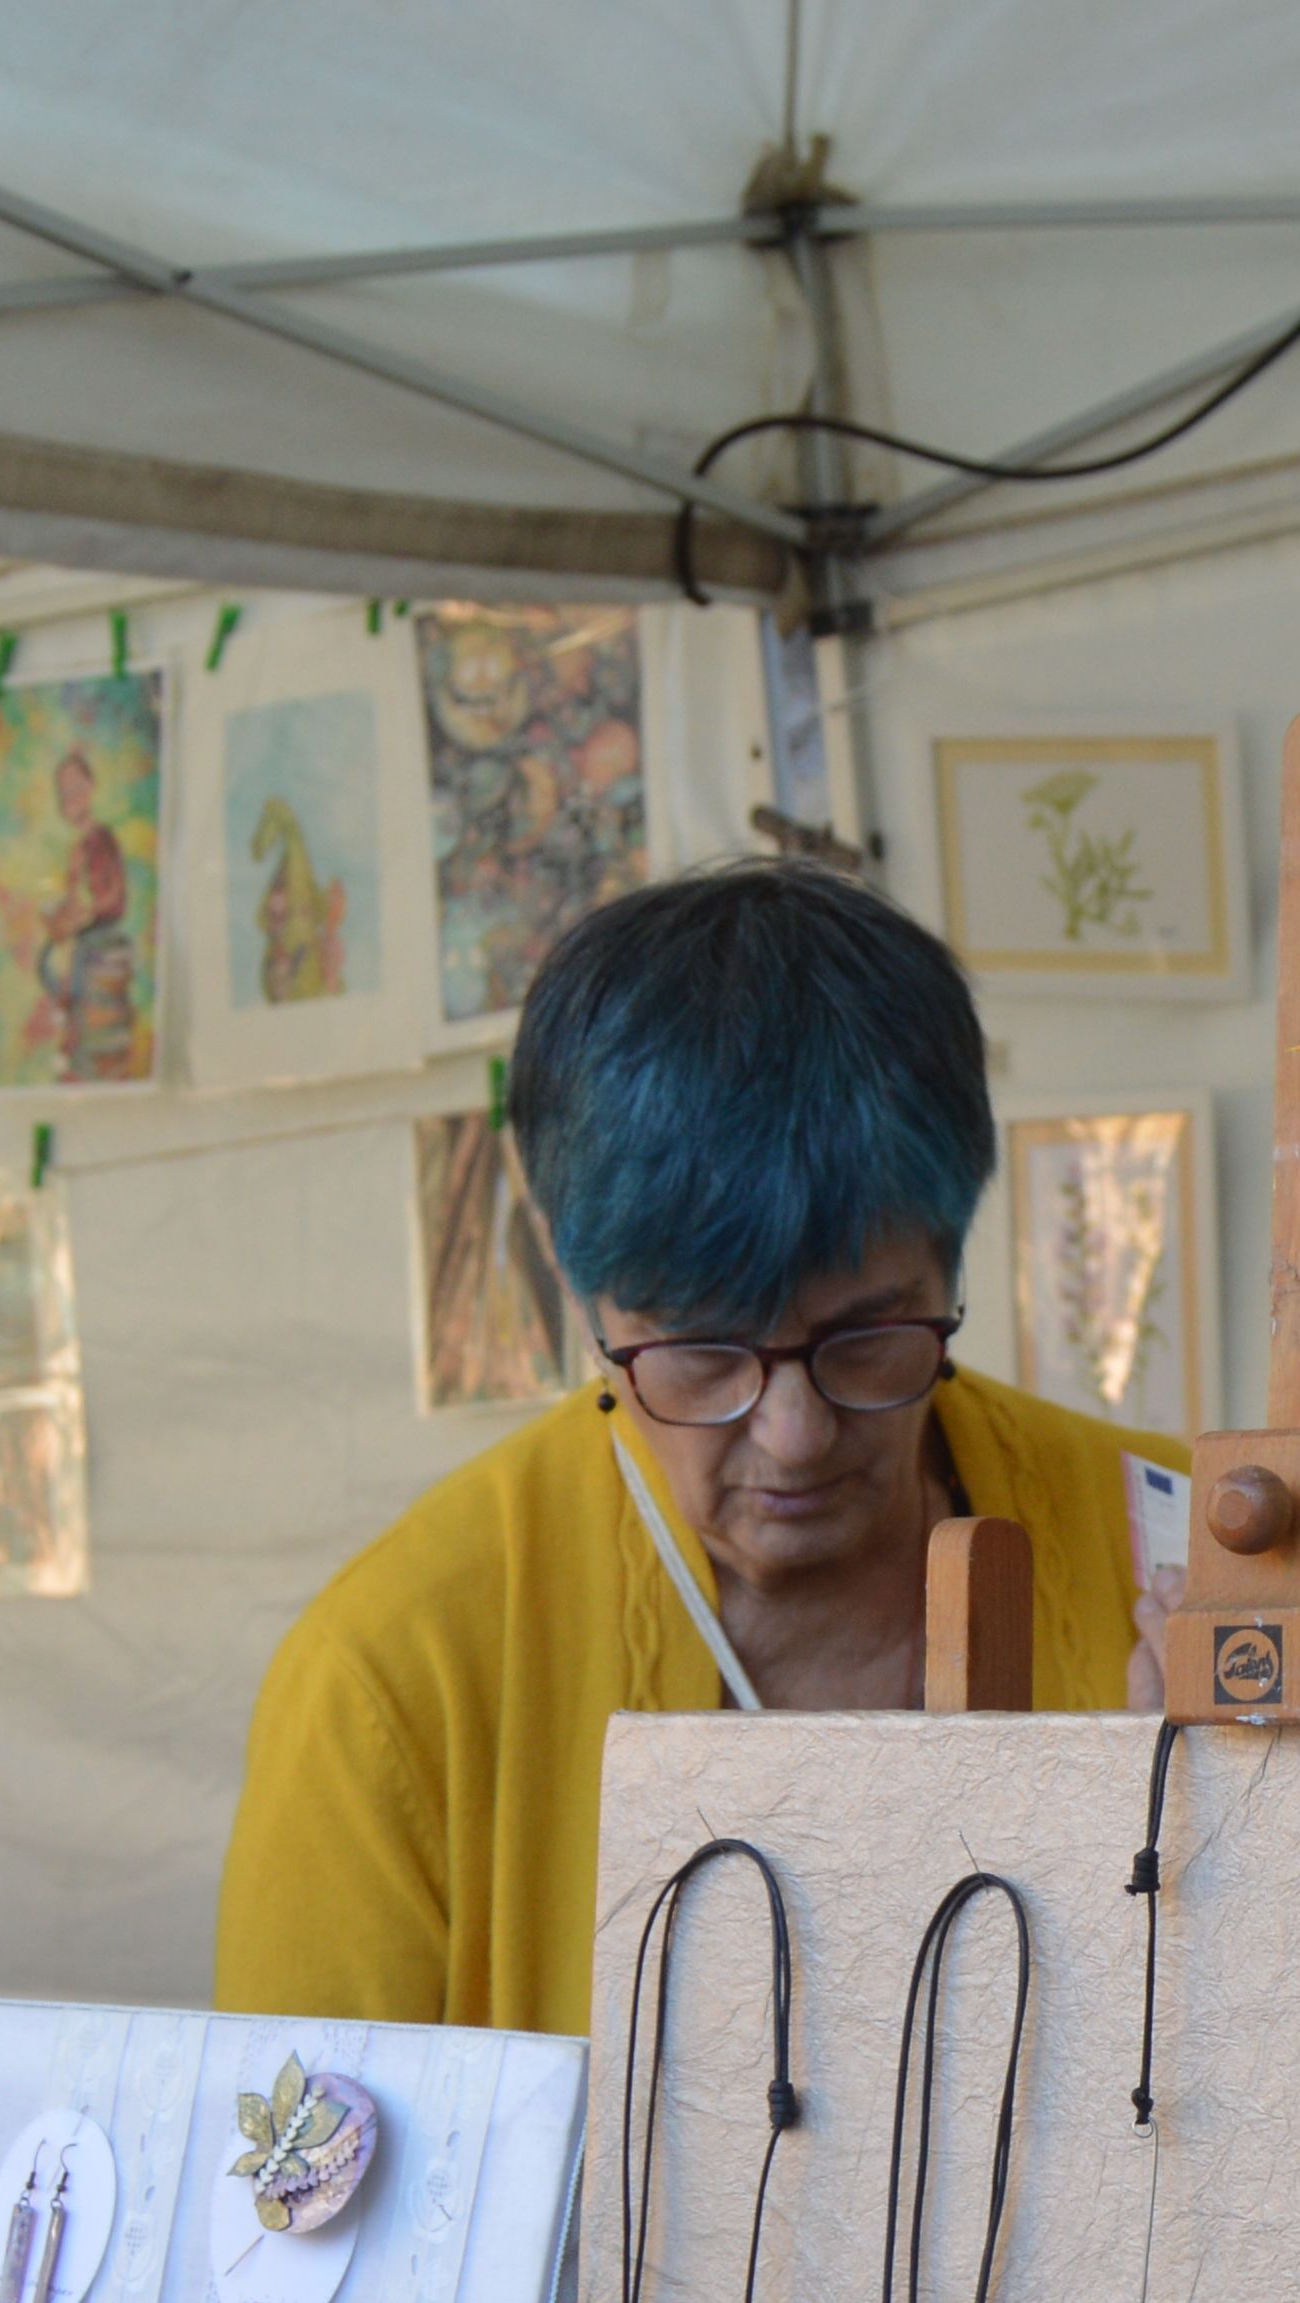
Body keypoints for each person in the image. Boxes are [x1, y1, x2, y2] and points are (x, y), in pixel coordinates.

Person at [215, 864, 1179, 2032]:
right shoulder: (392, 1683)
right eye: (703, 1353)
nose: (795, 1431)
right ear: (585, 1305)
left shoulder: (1168, 1556)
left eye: (868, 1336)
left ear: (953, 1261)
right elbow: (311, 2197)